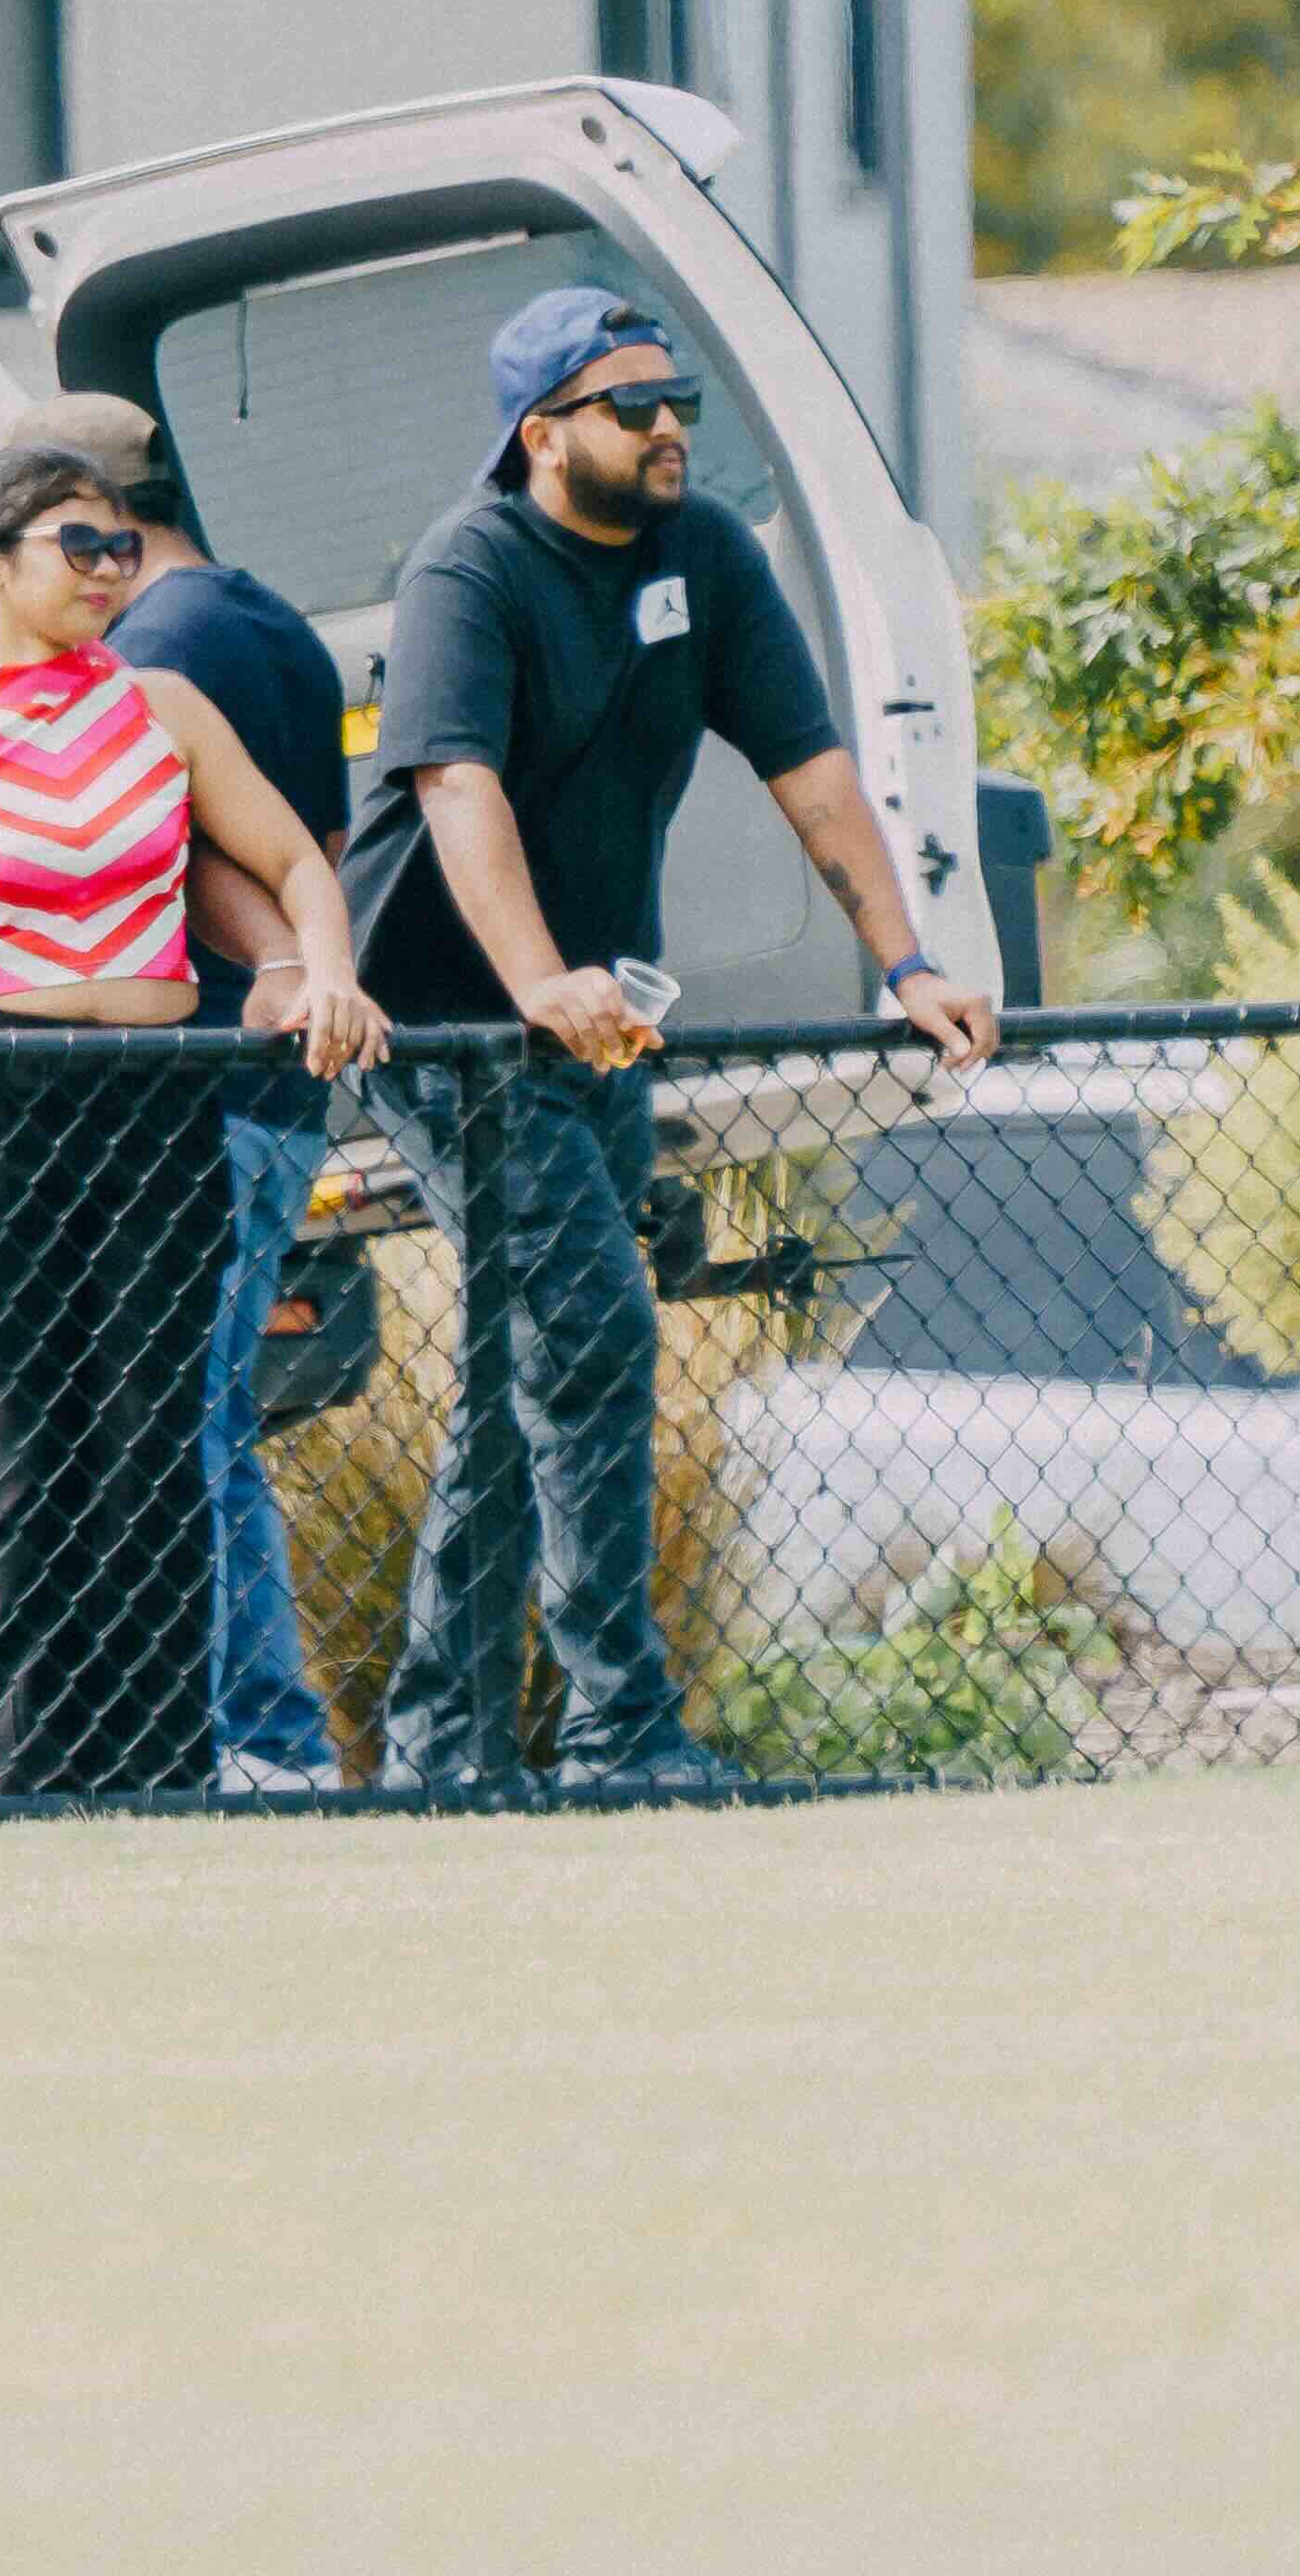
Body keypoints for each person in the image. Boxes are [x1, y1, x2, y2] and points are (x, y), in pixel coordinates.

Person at [339, 287, 1002, 1795]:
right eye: (633, 406)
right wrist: (533, 983)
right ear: (542, 432)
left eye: (680, 404)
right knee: (595, 1335)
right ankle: (617, 1731)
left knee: (537, 1367)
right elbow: (457, 793)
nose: (668, 431)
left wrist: (907, 960)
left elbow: (813, 767)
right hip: (451, 1022)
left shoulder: (705, 555)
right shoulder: (473, 566)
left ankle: (440, 1746)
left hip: (598, 1020)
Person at [0, 443, 389, 1795]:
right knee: (29, 1438)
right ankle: (27, 1768)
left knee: (155, 1436)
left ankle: (159, 1766)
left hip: (157, 1092)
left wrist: (326, 970)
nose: (106, 573)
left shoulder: (168, 705)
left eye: (120, 550)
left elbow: (300, 860)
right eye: (76, 547)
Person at [14, 390, 355, 1794]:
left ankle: (249, 1731)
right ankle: (257, 1729)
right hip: (274, 1096)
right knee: (209, 1423)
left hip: (209, 1083)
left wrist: (272, 958)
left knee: (185, 1430)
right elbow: (330, 830)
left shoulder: (154, 649)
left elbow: (208, 850)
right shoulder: (270, 621)